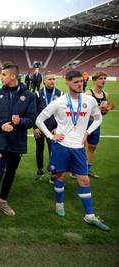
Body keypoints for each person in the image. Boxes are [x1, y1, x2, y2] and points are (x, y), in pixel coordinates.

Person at [36, 70, 110, 231]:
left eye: (81, 82)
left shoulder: (89, 101)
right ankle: (59, 204)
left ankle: (90, 216)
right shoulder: (59, 101)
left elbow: (99, 118)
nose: (79, 84)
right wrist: (50, 136)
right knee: (60, 176)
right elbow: (39, 119)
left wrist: (88, 132)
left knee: (84, 180)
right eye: (75, 82)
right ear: (67, 82)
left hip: (78, 148)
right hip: (61, 147)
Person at [0, 63, 36, 228]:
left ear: (13, 76)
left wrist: (21, 121)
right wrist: (0, 125)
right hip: (0, 141)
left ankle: (2, 201)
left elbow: (32, 118)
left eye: (4, 74)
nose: (1, 77)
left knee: (11, 173)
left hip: (17, 142)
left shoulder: (29, 95)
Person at [33, 71, 62, 183]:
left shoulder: (61, 94)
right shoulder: (37, 94)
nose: (52, 81)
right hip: (39, 128)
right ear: (44, 81)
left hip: (53, 129)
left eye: (54, 79)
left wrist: (58, 128)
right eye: (49, 79)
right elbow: (33, 112)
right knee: (39, 149)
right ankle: (40, 170)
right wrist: (35, 127)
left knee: (53, 151)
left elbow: (62, 114)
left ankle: (54, 173)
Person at [85, 71, 115, 179]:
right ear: (94, 80)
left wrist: (106, 109)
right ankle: (76, 170)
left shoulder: (105, 95)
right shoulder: (88, 94)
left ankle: (87, 170)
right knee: (80, 147)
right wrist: (99, 109)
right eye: (101, 78)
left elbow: (103, 113)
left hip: (97, 123)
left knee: (92, 147)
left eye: (104, 78)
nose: (103, 81)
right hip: (86, 123)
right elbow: (84, 111)